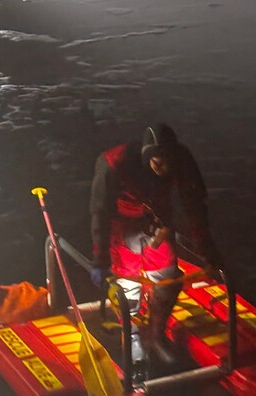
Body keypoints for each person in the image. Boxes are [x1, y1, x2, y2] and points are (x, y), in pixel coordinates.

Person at [90, 124, 222, 379]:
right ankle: (132, 336)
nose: (165, 171)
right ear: (147, 158)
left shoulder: (182, 162)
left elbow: (195, 206)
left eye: (169, 164)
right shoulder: (114, 164)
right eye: (159, 164)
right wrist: (100, 259)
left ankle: (156, 335)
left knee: (168, 276)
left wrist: (207, 250)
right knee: (128, 282)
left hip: (158, 220)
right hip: (122, 220)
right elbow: (100, 212)